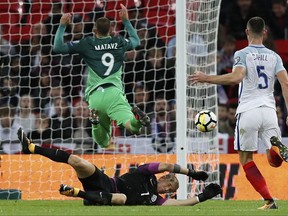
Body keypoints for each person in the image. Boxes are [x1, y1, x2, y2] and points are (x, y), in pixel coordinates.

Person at [189, 17, 288, 209]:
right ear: (265, 32)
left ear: (247, 32)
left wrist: (206, 78)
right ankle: (276, 147)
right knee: (274, 162)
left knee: (245, 160)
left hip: (248, 111)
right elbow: (285, 82)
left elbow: (236, 77)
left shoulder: (243, 53)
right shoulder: (275, 57)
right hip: (269, 111)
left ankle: (269, 200)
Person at [17, 127, 221, 206]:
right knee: (79, 162)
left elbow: (179, 205)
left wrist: (202, 198)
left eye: (171, 191)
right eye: (170, 186)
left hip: (107, 198)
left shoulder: (154, 199)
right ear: (163, 179)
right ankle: (32, 147)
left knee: (122, 199)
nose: (168, 191)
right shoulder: (145, 173)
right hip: (106, 182)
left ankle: (76, 193)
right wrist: (191, 172)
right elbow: (167, 164)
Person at [53, 4, 150, 148]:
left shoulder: (87, 43)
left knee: (102, 142)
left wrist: (62, 26)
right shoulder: (119, 42)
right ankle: (138, 119)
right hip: (114, 94)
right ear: (111, 30)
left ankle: (95, 123)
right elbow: (136, 41)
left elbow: (58, 48)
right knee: (133, 127)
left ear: (94, 31)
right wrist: (126, 21)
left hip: (95, 96)